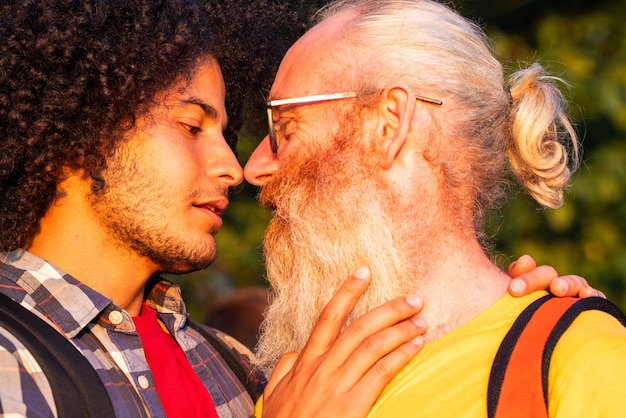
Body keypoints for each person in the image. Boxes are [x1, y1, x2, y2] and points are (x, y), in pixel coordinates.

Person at [0, 0, 602, 417]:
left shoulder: (244, 372)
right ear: (81, 129)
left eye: (282, 128)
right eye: (191, 125)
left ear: (389, 124)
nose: (242, 169)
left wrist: (550, 342)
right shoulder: (278, 384)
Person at [243, 0, 626, 416]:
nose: (254, 167)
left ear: (389, 124)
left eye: (284, 127)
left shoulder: (580, 359)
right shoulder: (296, 393)